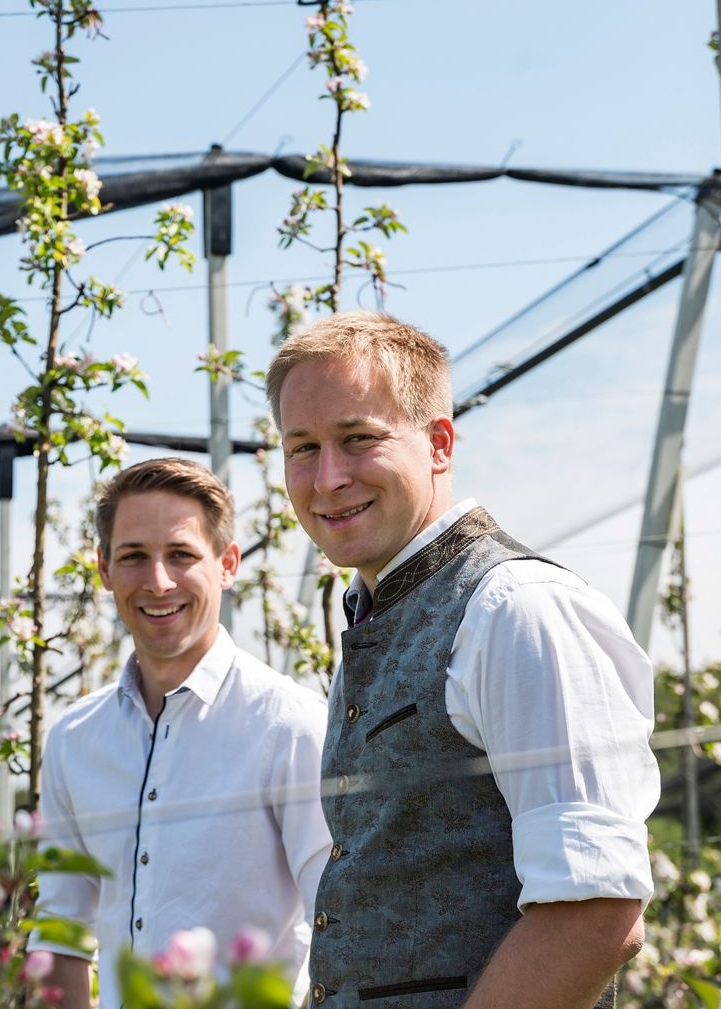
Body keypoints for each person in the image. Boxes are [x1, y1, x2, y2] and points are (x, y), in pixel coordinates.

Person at [266, 311, 660, 1009]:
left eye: (358, 439)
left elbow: (594, 912)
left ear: (439, 443)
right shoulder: (380, 614)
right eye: (302, 447)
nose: (326, 477)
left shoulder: (516, 608)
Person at [31, 457, 332, 1009]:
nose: (158, 581)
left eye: (181, 555)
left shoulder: (288, 725)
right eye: (133, 557)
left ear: (228, 564)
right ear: (103, 568)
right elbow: (60, 927)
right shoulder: (75, 740)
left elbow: (340, 922)